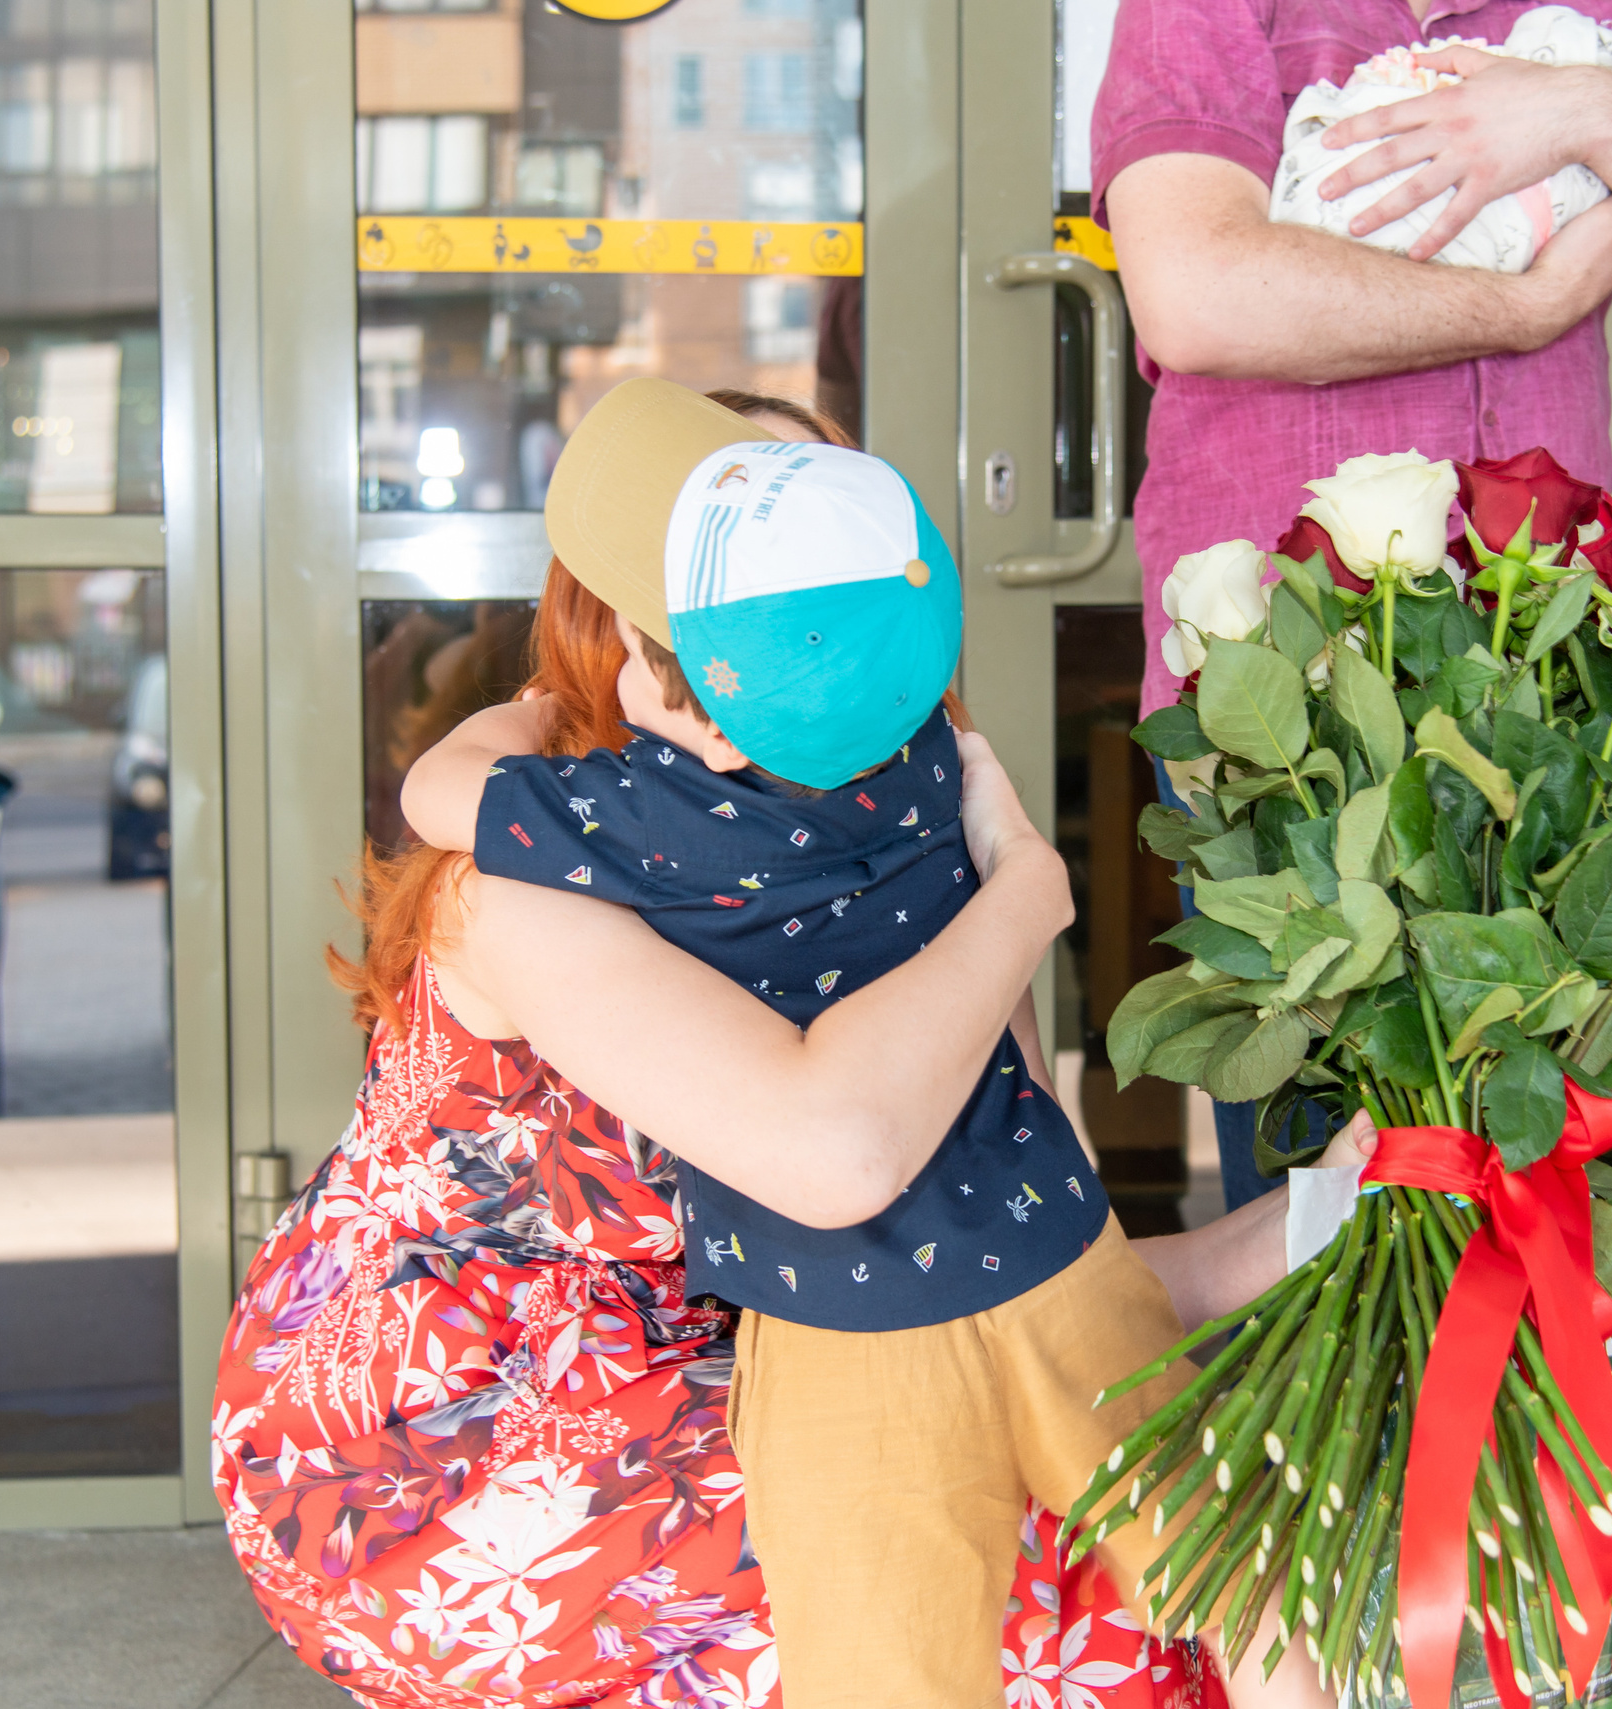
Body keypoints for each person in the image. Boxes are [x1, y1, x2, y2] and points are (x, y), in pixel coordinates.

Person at [400, 378, 1357, 1707]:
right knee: (1224, 1579)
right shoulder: (937, 770)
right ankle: (1235, 1282)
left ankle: (1232, 1266)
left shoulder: (633, 817)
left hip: (836, 1325)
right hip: (501, 1378)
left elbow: (435, 786)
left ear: (677, 681)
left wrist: (536, 717)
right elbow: (944, 1134)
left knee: (895, 1656)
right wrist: (1027, 884)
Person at [1094, 5, 1612, 1702]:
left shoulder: (1600, 25)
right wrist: (1524, 309)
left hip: (1564, 697)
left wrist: (1590, 103)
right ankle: (1358, 1645)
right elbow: (1199, 291)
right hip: (1293, 714)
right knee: (1345, 1209)